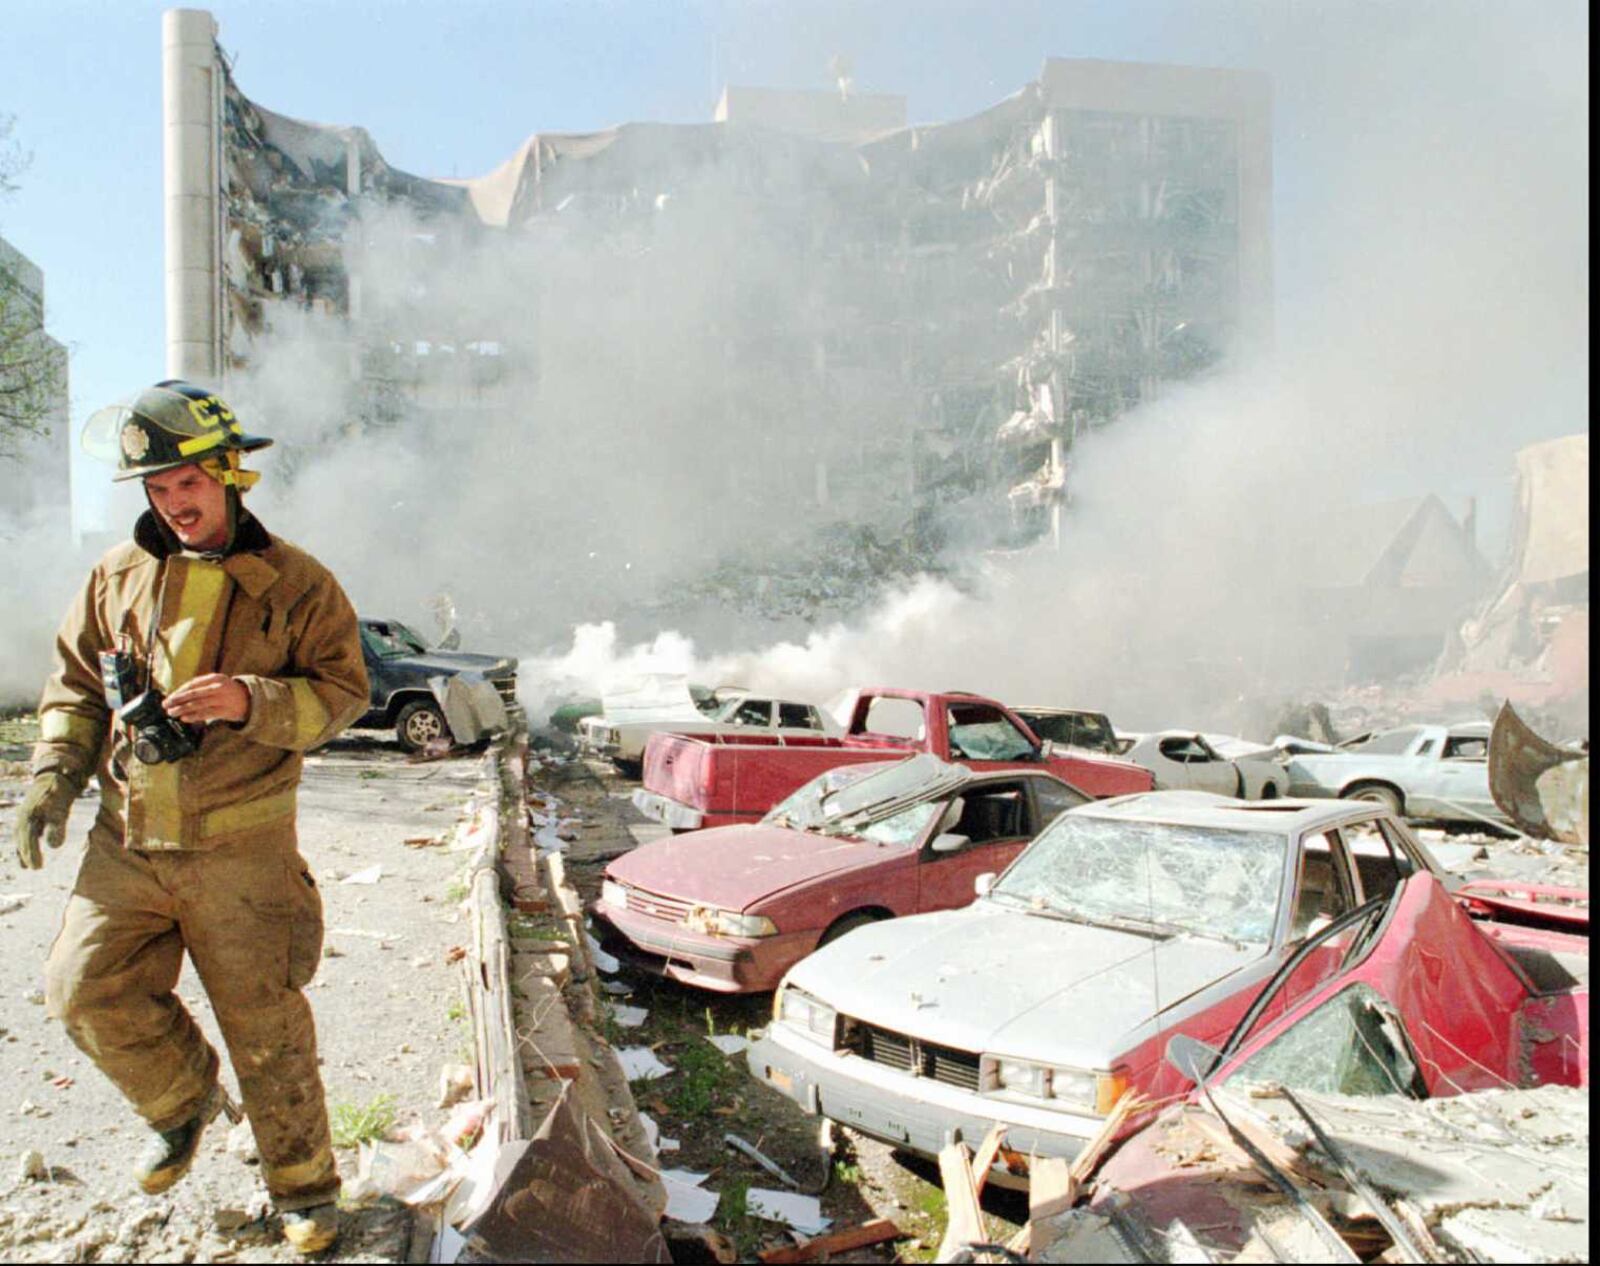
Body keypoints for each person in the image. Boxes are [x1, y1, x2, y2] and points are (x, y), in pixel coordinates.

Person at [12, 381, 368, 1255]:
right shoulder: (115, 577)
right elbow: (74, 687)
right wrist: (54, 775)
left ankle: (305, 1190)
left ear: (231, 477)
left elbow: (344, 694)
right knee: (80, 988)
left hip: (241, 846)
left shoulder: (299, 582)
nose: (175, 505)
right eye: (159, 490)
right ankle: (183, 1101)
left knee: (265, 1023)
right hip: (128, 840)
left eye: (190, 485)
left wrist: (253, 700)